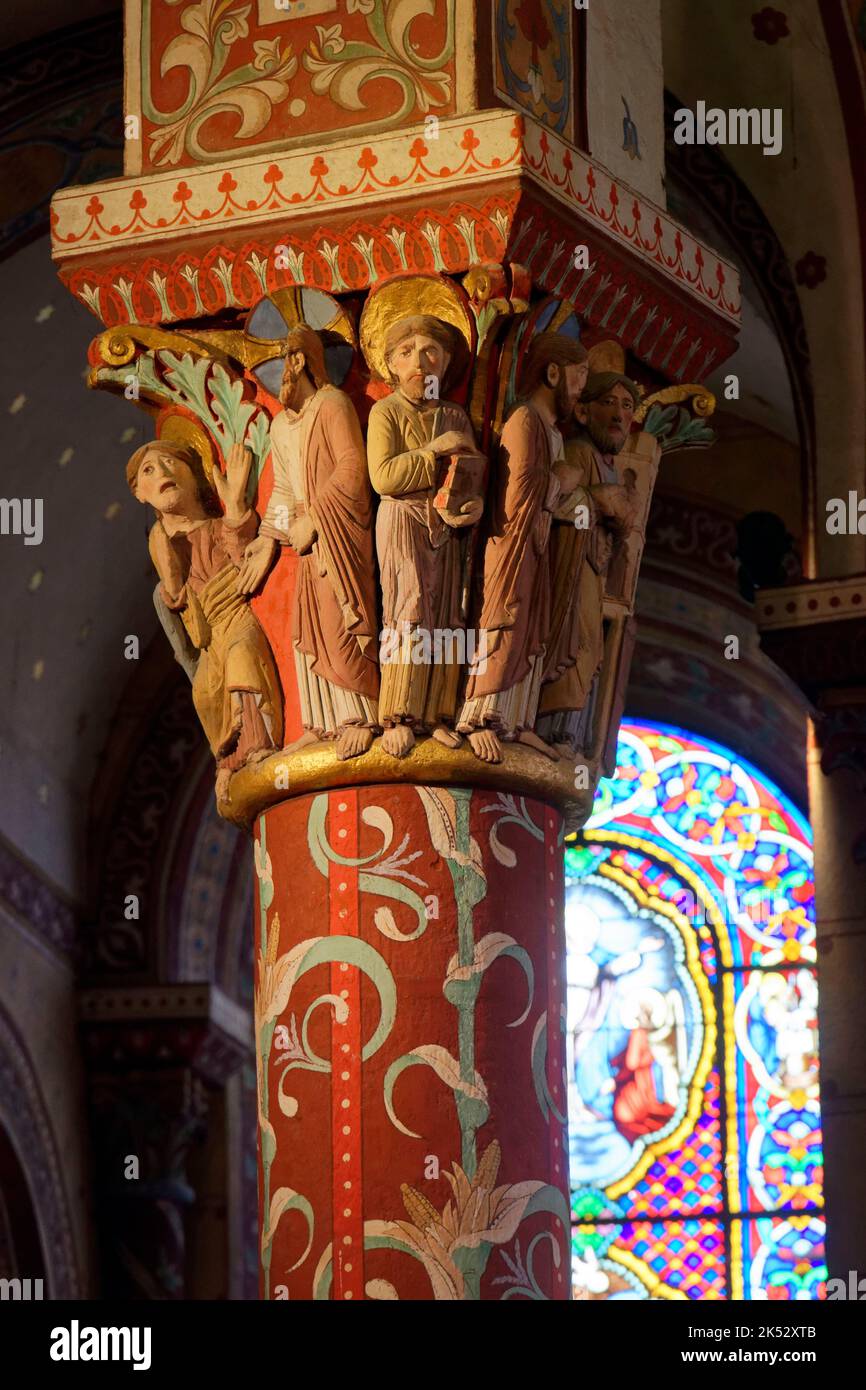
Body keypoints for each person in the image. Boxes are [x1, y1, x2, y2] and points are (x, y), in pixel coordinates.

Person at [237, 325, 380, 760]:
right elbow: (283, 489)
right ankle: (324, 722)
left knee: (341, 619)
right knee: (310, 627)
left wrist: (317, 519)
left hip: (338, 535)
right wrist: (266, 539)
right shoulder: (280, 426)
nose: (278, 376)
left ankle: (361, 715)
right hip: (305, 538)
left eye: (283, 361)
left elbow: (353, 470)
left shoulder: (332, 404)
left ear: (300, 361)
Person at [456, 332, 588, 763]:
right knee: (504, 622)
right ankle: (478, 716)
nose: (581, 389)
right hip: (511, 544)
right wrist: (563, 480)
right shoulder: (525, 420)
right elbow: (518, 494)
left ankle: (517, 721)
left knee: (533, 627)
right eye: (578, 376)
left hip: (537, 543)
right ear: (553, 372)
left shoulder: (552, 432)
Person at [128, 438, 282, 804]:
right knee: (205, 691)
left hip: (239, 615)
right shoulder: (165, 544)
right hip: (212, 632)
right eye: (148, 471)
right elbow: (178, 604)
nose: (162, 472)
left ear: (194, 476)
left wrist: (236, 505)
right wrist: (165, 558)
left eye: (170, 463)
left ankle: (261, 744)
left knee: (243, 657)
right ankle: (229, 760)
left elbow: (239, 549)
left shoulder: (214, 528)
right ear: (139, 494)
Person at [366, 313, 484, 758]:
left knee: (447, 613)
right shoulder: (386, 411)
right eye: (406, 351)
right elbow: (383, 477)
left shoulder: (453, 414)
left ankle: (436, 714)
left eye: (430, 351)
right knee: (410, 609)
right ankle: (399, 714)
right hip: (402, 520)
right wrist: (433, 449)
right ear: (392, 365)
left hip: (446, 529)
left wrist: (473, 508)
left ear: (446, 362)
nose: (419, 360)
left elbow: (471, 475)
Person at [537, 370, 640, 756]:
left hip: (594, 567)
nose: (618, 415)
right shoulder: (579, 451)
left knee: (592, 648)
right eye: (608, 403)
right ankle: (553, 728)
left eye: (626, 406)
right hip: (571, 563)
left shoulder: (610, 462)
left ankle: (571, 734)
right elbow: (554, 499)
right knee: (574, 640)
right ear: (582, 411)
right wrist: (597, 499)